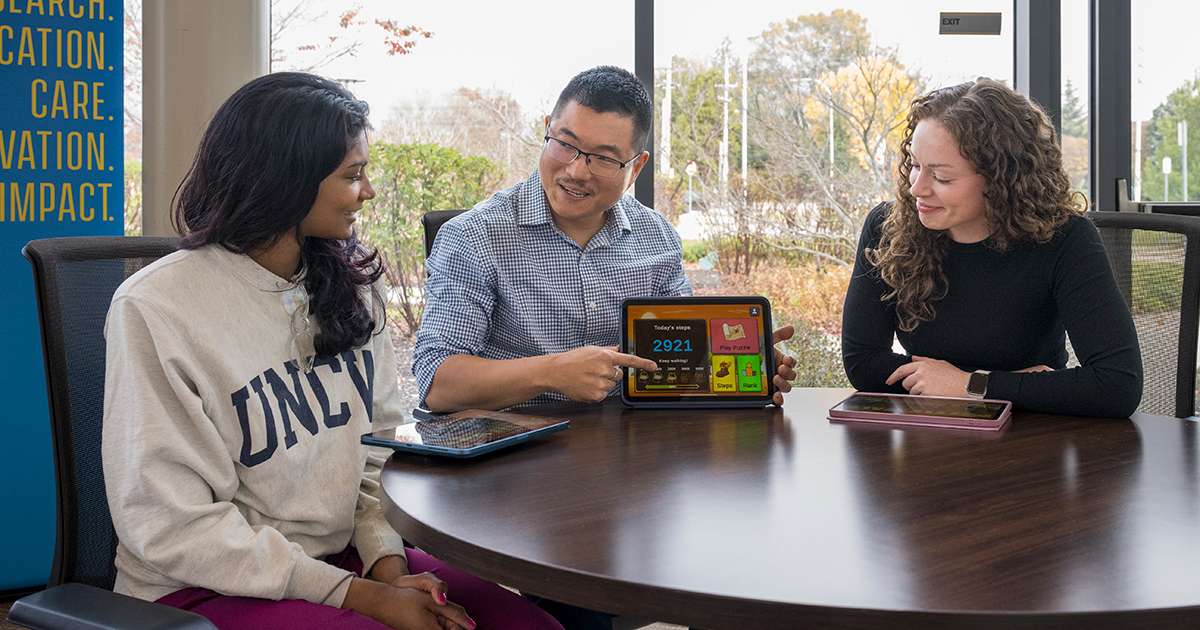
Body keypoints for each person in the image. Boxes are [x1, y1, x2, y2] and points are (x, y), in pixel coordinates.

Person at [102, 72, 564, 630]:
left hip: (343, 562)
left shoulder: (352, 280)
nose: (367, 191)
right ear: (286, 181)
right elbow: (173, 526)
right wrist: (357, 597)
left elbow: (378, 450)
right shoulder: (156, 308)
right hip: (202, 586)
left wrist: (388, 568)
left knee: (530, 626)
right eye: (353, 175)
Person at [413, 65, 798, 414]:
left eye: (604, 158)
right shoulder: (474, 236)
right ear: (547, 128)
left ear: (636, 168)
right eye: (564, 143)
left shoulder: (657, 238)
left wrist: (734, 361)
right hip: (509, 461)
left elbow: (679, 356)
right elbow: (437, 383)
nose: (576, 170)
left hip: (629, 457)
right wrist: (552, 373)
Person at [840, 78, 1142, 418]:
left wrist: (972, 385)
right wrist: (1018, 386)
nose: (917, 189)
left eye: (941, 177)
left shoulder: (1066, 239)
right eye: (914, 165)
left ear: (1001, 180)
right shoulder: (888, 228)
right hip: (931, 438)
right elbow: (863, 362)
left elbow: (1117, 385)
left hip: (1032, 440)